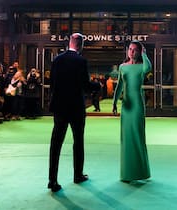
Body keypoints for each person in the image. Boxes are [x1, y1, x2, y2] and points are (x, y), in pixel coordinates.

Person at [48, 33, 100, 192]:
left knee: (56, 143)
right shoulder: (81, 61)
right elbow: (85, 86)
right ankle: (77, 175)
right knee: (78, 142)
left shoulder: (57, 60)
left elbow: (52, 84)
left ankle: (52, 180)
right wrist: (96, 85)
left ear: (69, 43)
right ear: (81, 44)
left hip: (59, 107)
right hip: (76, 108)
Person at [112, 40, 152, 182]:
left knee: (137, 135)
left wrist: (145, 54)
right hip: (126, 106)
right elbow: (119, 86)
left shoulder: (142, 66)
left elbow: (149, 68)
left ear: (139, 52)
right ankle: (127, 173)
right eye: (130, 49)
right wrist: (114, 102)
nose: (132, 52)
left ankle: (141, 172)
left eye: (135, 50)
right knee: (126, 137)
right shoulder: (123, 67)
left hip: (137, 106)